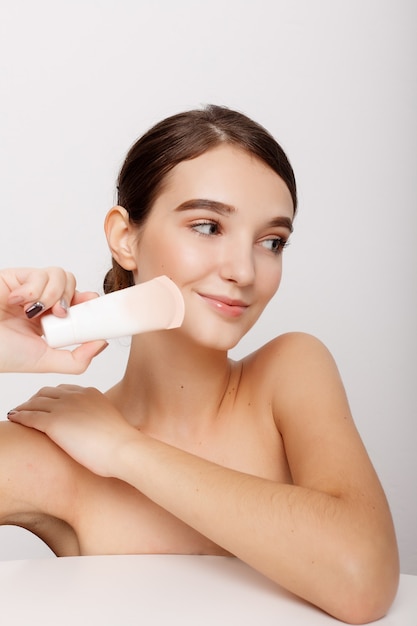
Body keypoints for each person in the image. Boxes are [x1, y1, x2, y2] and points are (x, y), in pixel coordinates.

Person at [0, 105, 399, 623]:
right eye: (208, 226)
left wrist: (126, 451)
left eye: (271, 242)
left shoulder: (290, 373)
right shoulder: (56, 448)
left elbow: (361, 580)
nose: (243, 270)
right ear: (125, 238)